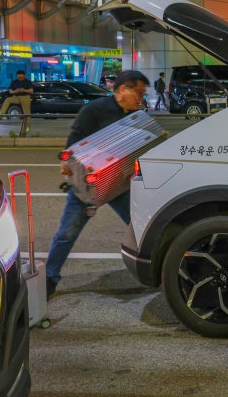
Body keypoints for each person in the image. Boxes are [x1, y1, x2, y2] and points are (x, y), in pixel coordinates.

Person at [46, 70, 150, 298]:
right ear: (123, 89)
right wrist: (69, 161)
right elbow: (74, 139)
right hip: (88, 184)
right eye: (139, 92)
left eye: (143, 94)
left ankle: (157, 271)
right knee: (67, 233)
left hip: (120, 185)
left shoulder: (135, 117)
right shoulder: (95, 109)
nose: (141, 98)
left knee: (141, 226)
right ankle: (48, 280)